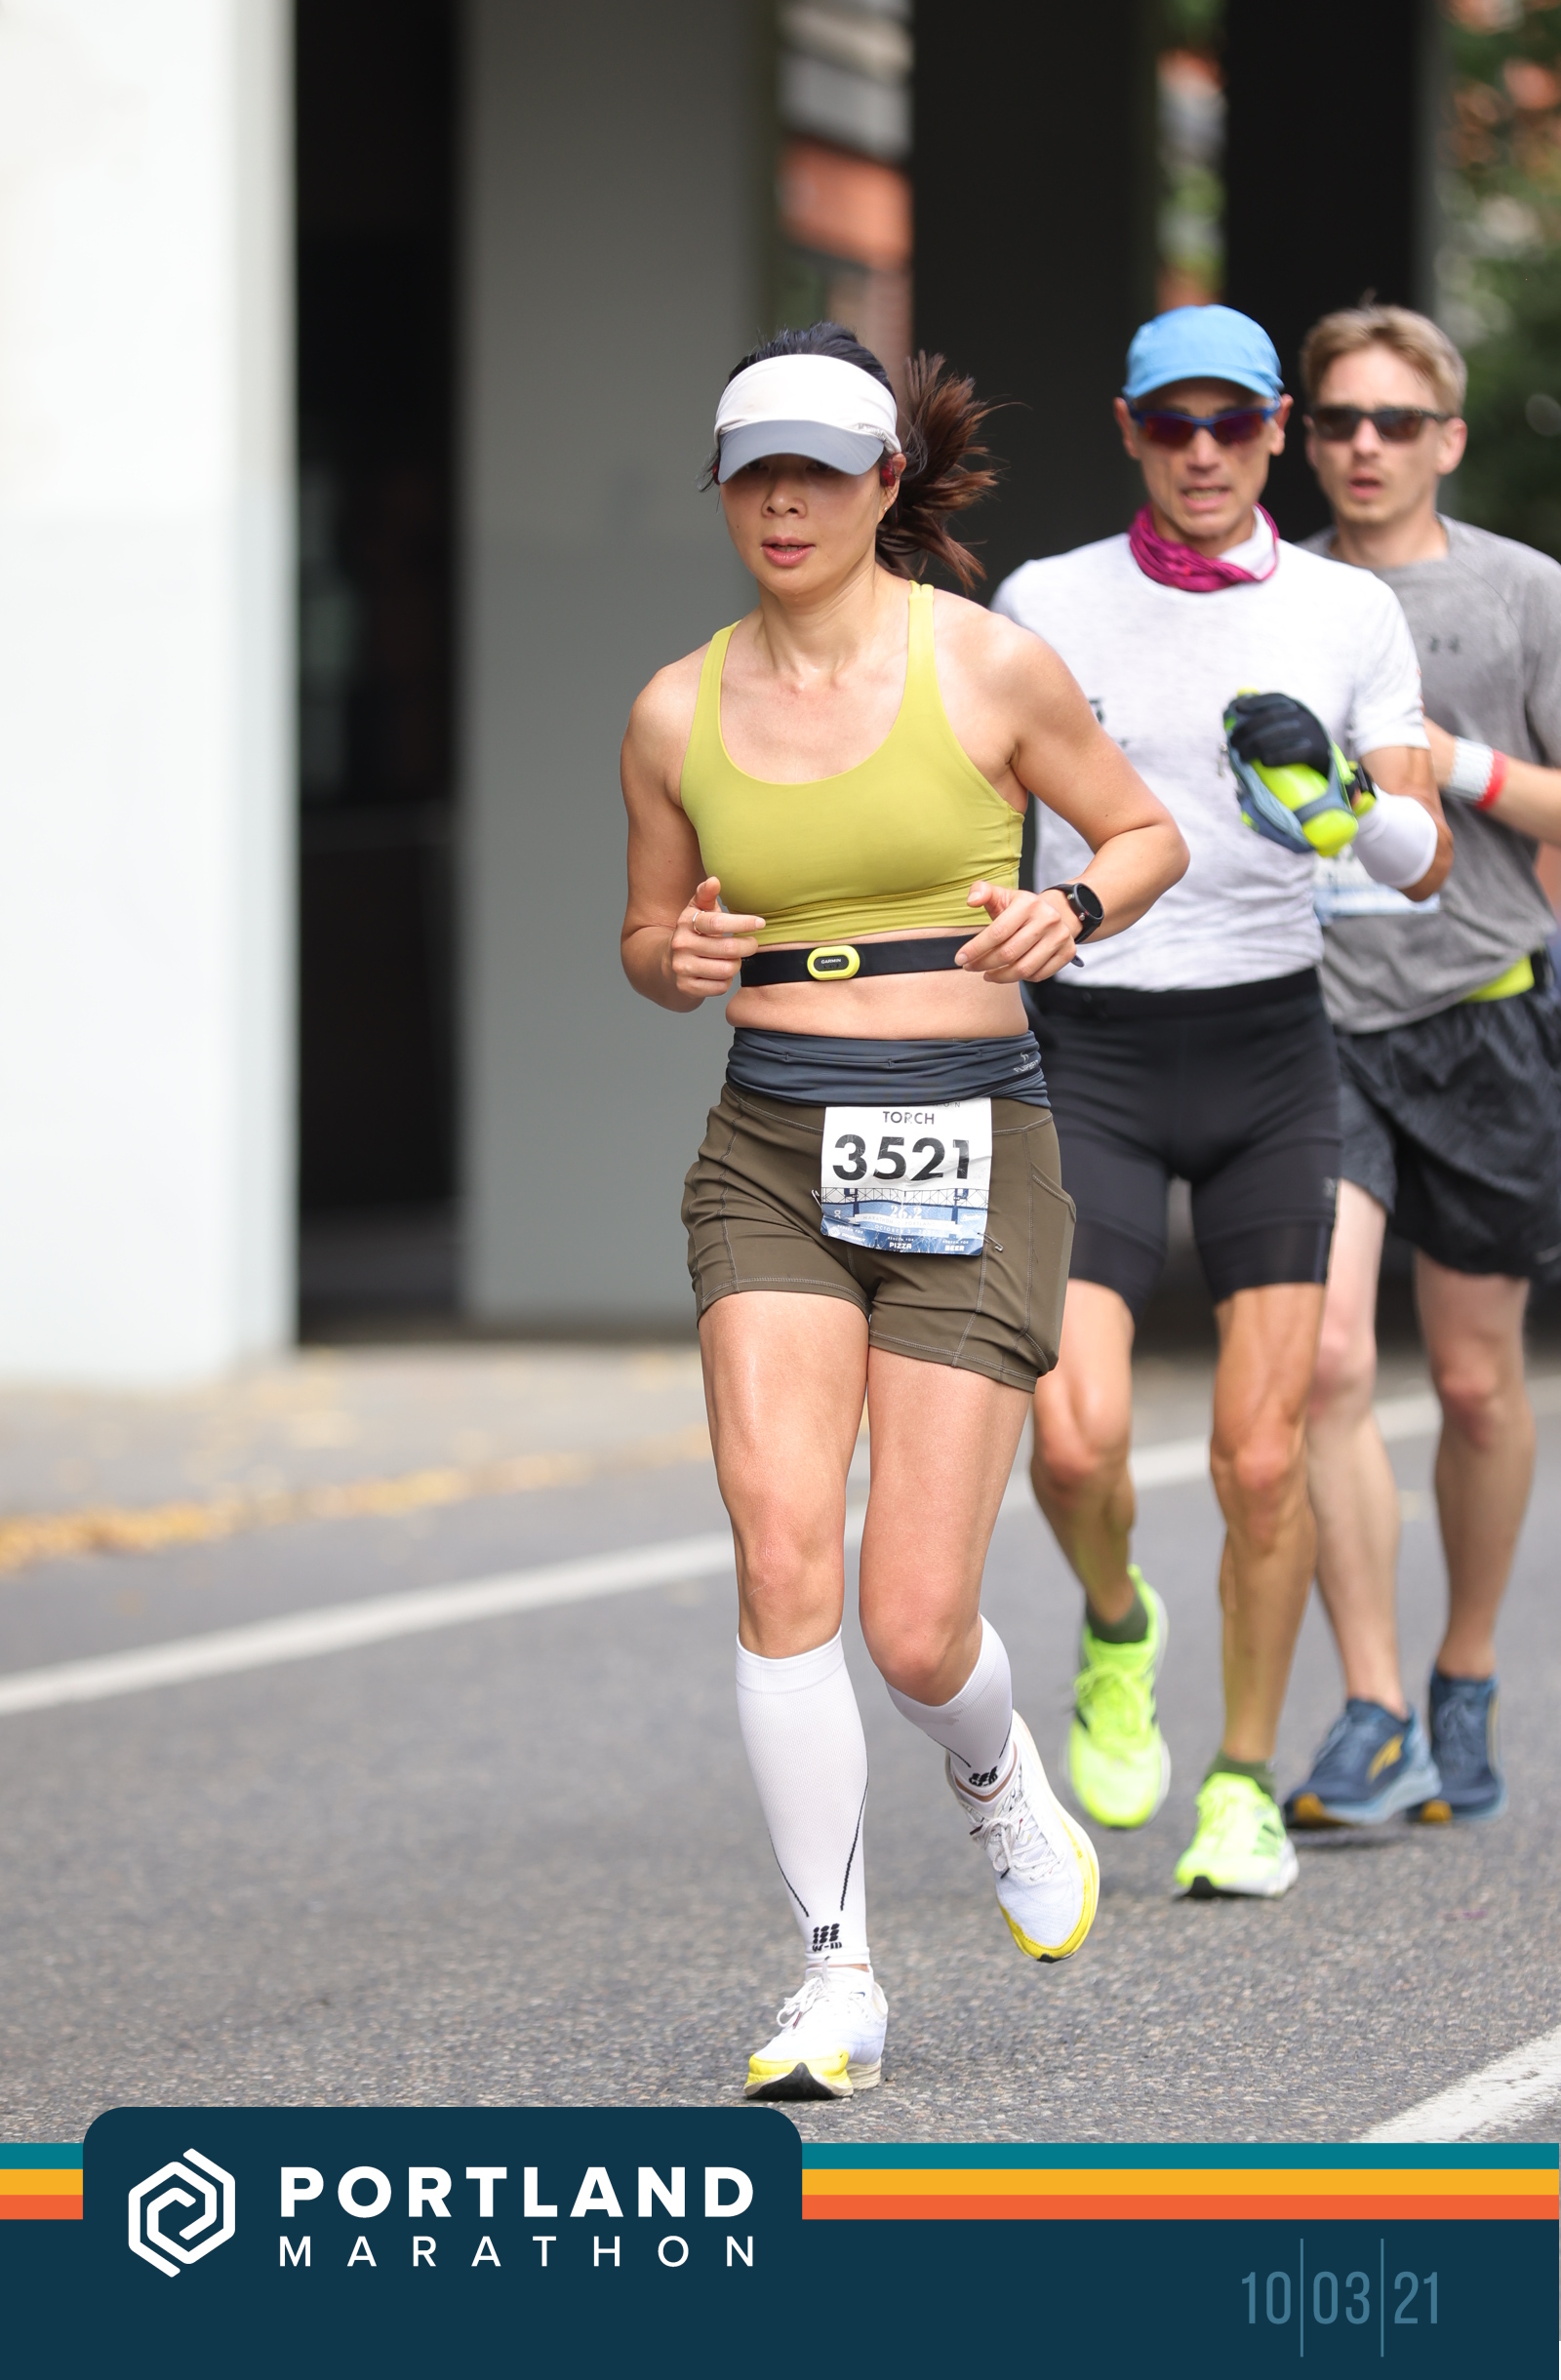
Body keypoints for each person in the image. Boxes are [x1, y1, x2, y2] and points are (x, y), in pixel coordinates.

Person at [620, 323, 1186, 2100]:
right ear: (725, 493)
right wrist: (674, 957)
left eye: (818, 471)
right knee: (780, 1552)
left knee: (916, 1625)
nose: (783, 503)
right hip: (771, 1150)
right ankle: (834, 1975)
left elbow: (1146, 834)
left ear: (885, 482)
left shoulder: (989, 664)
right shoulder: (674, 709)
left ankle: (999, 1775)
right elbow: (646, 939)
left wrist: (1071, 909)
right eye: (754, 474)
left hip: (968, 1140)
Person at [991, 305, 1451, 1899]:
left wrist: (1337, 798)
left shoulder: (1344, 611)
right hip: (1091, 1046)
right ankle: (1119, 1627)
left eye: (1235, 425)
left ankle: (1244, 1779)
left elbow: (1421, 862)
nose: (1205, 453)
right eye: (1174, 424)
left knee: (1263, 1459)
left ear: (1275, 437)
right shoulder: (1046, 602)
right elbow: (986, 815)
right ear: (1130, 430)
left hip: (1267, 1048)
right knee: (1073, 1439)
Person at [1285, 304, 1561, 1829]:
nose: (1365, 446)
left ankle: (1464, 1671)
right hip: (1316, 1020)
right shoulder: (1273, 593)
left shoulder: (1523, 595)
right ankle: (1375, 1706)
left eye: (1396, 421)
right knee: (1326, 1358)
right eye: (1339, 420)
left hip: (1482, 1012)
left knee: (1471, 1385)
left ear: (1447, 439)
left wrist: (1455, 764)